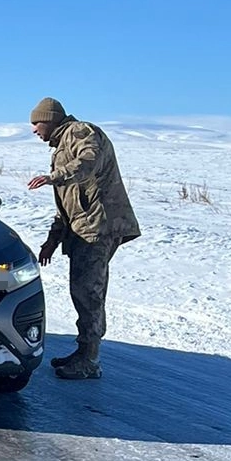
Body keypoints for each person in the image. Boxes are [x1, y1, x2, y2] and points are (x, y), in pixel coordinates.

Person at [26, 97, 140, 380]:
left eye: (36, 123)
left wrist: (55, 176)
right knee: (82, 290)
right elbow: (68, 204)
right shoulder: (62, 146)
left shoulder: (80, 132)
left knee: (89, 292)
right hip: (83, 227)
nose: (33, 130)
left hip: (98, 227)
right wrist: (53, 239)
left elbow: (88, 162)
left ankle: (90, 359)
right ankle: (84, 352)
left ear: (50, 119)